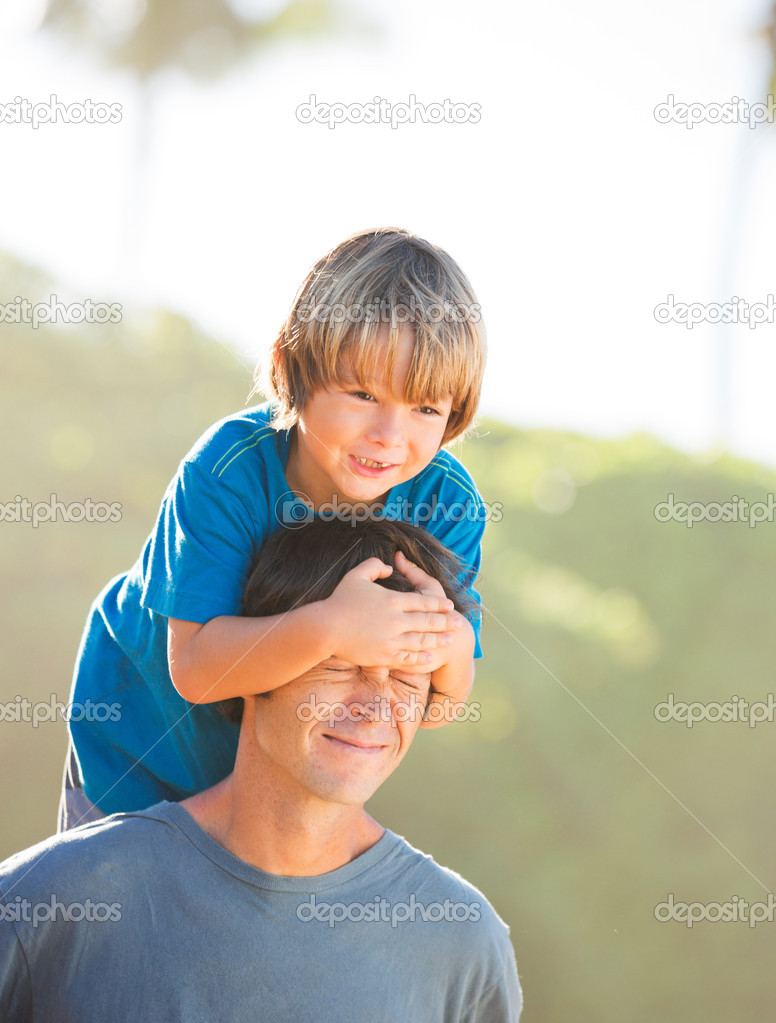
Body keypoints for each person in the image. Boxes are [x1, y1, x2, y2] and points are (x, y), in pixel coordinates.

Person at [1, 520, 522, 1021]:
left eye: (408, 678)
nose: (375, 708)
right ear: (256, 663)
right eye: (341, 666)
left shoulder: (462, 944)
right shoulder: (46, 902)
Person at [60, 226, 489, 826]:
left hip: (266, 779)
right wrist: (336, 627)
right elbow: (197, 672)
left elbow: (442, 702)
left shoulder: (447, 505)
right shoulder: (227, 470)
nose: (390, 437)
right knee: (121, 903)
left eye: (425, 408)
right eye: (362, 393)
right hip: (139, 745)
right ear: (295, 370)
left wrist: (446, 646)